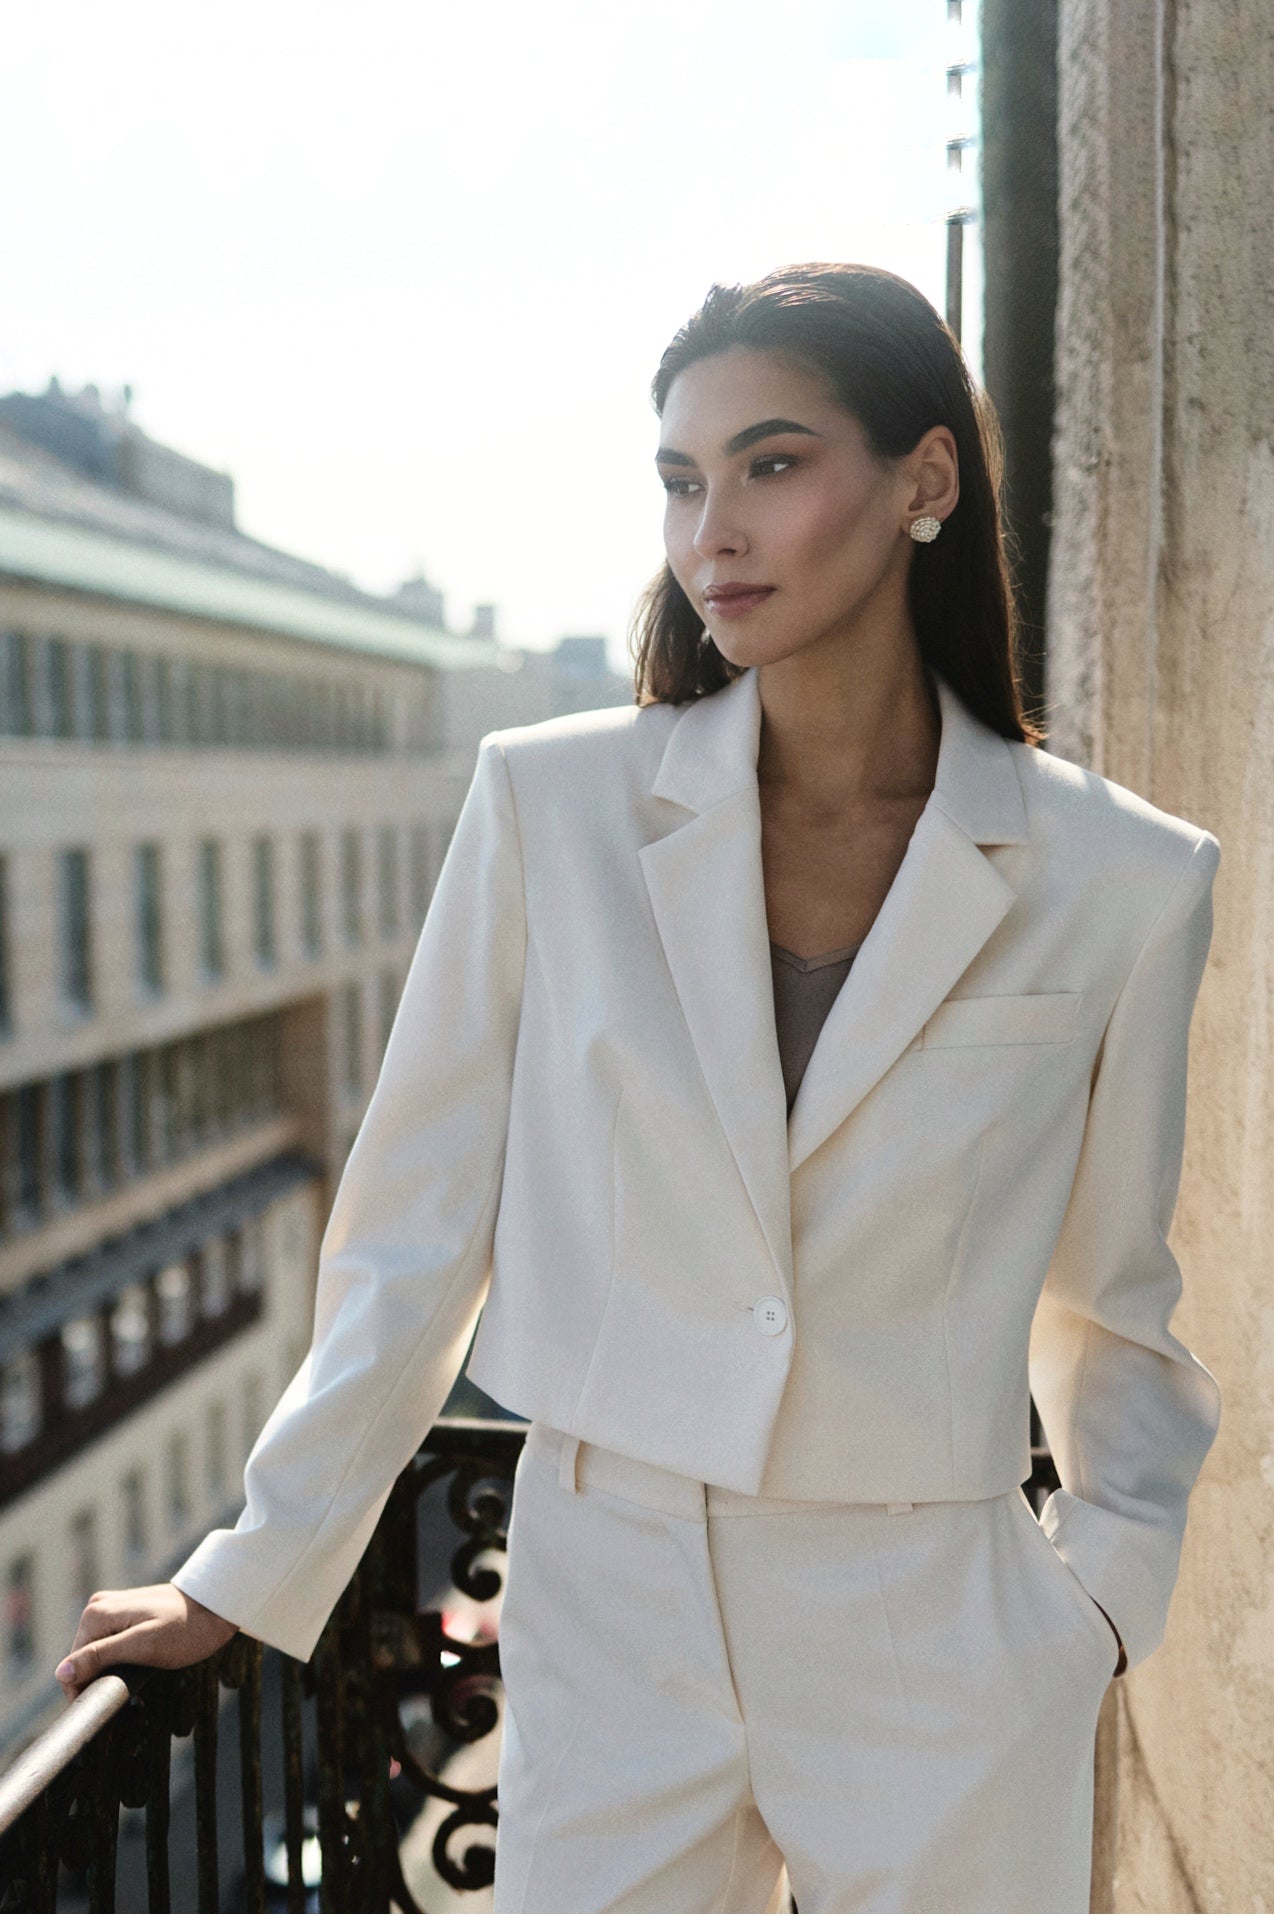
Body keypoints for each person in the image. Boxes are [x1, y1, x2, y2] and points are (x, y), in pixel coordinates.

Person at [54, 264, 1222, 1914]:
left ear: (924, 482)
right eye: (680, 481)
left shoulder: (1118, 876)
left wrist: (1088, 1605)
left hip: (937, 1624)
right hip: (611, 1594)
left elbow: (1113, 1308)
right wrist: (252, 1566)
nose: (712, 530)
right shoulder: (552, 808)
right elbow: (413, 1230)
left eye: (769, 463)